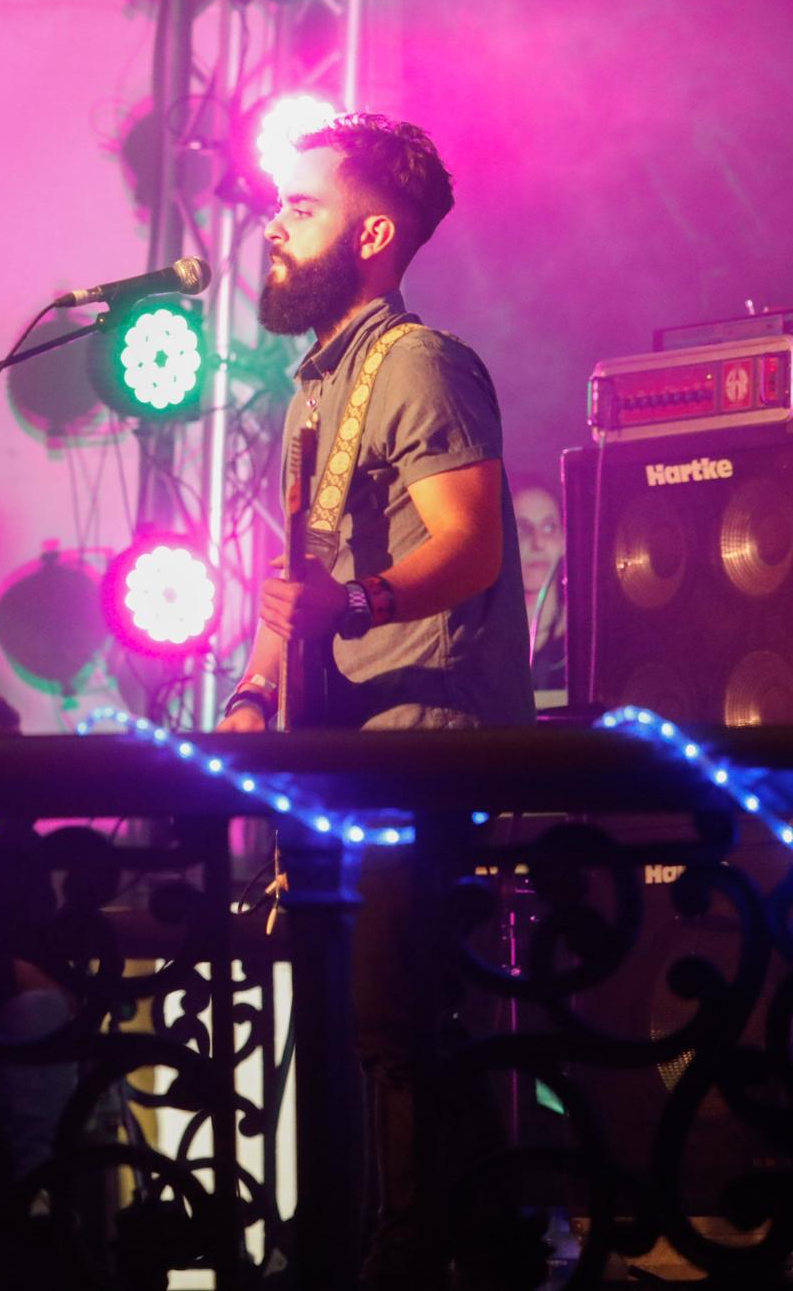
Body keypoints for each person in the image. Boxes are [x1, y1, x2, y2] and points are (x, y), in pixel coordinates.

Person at [213, 115, 534, 1289]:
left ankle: (417, 1258)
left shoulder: (417, 362)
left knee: (397, 1024)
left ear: (374, 232)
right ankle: (466, 1246)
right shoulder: (319, 382)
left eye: (300, 206)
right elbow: (289, 584)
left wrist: (355, 599)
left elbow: (470, 546)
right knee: (380, 1026)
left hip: (425, 744)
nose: (274, 222)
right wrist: (252, 689)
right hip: (350, 753)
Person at [512, 477, 567, 692]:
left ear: (564, 540)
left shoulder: (585, 638)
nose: (537, 542)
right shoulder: (482, 640)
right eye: (521, 529)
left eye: (549, 527)